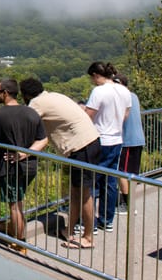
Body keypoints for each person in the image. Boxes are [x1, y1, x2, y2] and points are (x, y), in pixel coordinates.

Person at [19, 78, 101, 249]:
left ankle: (87, 237)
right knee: (75, 191)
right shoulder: (53, 96)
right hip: (89, 141)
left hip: (81, 146)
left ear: (25, 95)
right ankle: (69, 230)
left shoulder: (37, 104)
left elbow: (24, 123)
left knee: (85, 193)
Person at [0, 78, 48, 252]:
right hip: (30, 166)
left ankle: (19, 242)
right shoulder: (32, 112)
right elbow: (43, 139)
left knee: (14, 204)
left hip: (10, 166)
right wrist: (25, 153)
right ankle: (12, 229)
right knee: (18, 201)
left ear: (5, 93)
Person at [84, 62, 131, 233]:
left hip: (99, 140)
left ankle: (91, 224)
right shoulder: (124, 91)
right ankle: (107, 220)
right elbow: (126, 115)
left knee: (92, 181)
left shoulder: (99, 91)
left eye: (92, 77)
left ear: (96, 75)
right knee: (110, 181)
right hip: (117, 139)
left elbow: (87, 116)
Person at [113, 73, 145, 215]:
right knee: (132, 173)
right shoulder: (134, 96)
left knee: (122, 173)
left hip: (127, 140)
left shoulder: (121, 98)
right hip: (138, 139)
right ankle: (130, 202)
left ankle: (128, 205)